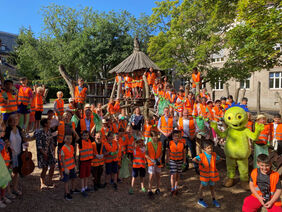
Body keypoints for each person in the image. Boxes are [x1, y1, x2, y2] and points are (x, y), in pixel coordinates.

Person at [192, 139, 221, 208]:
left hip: (212, 175)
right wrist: (200, 163)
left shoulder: (214, 155)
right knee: (202, 187)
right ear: (204, 149)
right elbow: (194, 159)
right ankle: (200, 200)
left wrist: (214, 163)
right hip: (204, 176)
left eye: (211, 148)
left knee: (212, 188)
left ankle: (214, 199)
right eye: (208, 148)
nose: (210, 149)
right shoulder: (201, 155)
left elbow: (219, 159)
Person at [5, 114, 28, 196]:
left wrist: (25, 144)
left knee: (16, 172)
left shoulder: (19, 129)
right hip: (10, 155)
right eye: (13, 120)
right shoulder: (7, 130)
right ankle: (8, 192)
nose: (15, 122)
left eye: (16, 120)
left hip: (19, 154)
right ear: (10, 121)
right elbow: (5, 143)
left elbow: (22, 140)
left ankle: (14, 188)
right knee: (8, 173)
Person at [34, 118, 56, 189]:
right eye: (49, 123)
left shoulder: (49, 131)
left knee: (52, 166)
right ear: (45, 124)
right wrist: (44, 153)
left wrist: (52, 148)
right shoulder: (39, 132)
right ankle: (42, 183)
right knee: (45, 168)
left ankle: (50, 180)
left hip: (49, 152)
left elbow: (51, 139)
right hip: (42, 153)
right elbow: (39, 145)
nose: (50, 124)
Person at [178, 109, 198, 173]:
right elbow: (178, 129)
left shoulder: (193, 120)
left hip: (191, 138)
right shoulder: (180, 120)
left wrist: (193, 135)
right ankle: (186, 166)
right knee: (184, 152)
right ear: (182, 114)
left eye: (186, 113)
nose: (185, 115)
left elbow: (197, 129)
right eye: (184, 113)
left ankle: (196, 167)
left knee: (193, 152)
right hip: (183, 138)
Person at [167, 130, 185, 196]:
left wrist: (184, 161)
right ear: (172, 136)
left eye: (177, 136)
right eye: (175, 136)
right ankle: (172, 188)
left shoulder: (182, 143)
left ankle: (176, 187)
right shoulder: (170, 143)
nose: (176, 138)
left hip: (180, 160)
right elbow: (168, 152)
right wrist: (167, 161)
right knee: (173, 175)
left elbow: (184, 152)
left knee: (178, 174)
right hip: (172, 160)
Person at [60, 134, 77, 201]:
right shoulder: (63, 149)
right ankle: (67, 193)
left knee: (73, 178)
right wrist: (65, 168)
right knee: (66, 181)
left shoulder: (72, 147)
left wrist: (75, 165)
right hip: (66, 168)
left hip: (72, 166)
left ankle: (73, 189)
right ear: (64, 139)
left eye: (70, 139)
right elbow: (62, 159)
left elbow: (72, 157)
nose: (69, 140)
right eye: (67, 139)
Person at [146, 131, 162, 198]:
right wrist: (151, 160)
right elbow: (145, 154)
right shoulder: (148, 144)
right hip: (151, 163)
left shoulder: (160, 143)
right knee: (151, 176)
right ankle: (149, 190)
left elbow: (161, 152)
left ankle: (158, 188)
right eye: (154, 136)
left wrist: (158, 159)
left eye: (157, 136)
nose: (156, 138)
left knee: (158, 175)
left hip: (158, 162)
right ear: (151, 137)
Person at [78, 130, 93, 197]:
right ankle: (82, 188)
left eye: (87, 135)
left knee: (87, 175)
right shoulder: (80, 142)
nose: (86, 137)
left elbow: (92, 134)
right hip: (83, 161)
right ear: (81, 136)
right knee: (82, 175)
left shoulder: (90, 141)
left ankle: (86, 187)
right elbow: (76, 136)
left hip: (89, 160)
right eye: (84, 135)